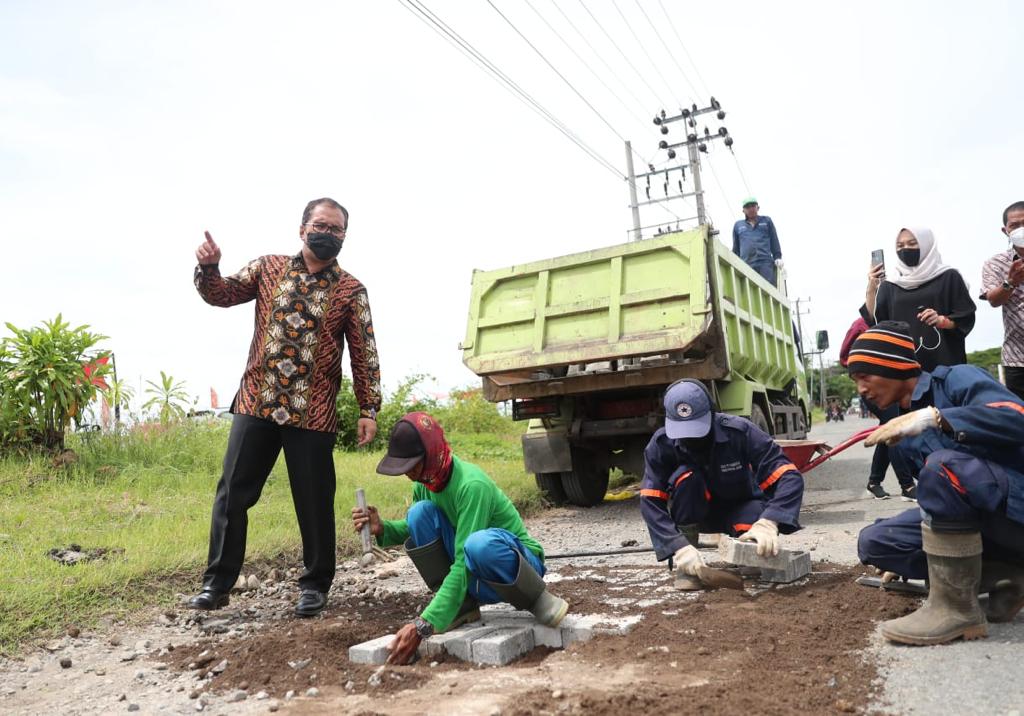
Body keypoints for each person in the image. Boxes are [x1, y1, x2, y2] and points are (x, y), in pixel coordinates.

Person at [188, 197, 382, 617]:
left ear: (344, 237)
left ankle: (315, 586)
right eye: (320, 225)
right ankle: (216, 584)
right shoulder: (268, 267)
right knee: (232, 494)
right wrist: (209, 267)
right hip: (257, 401)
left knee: (314, 501)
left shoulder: (352, 291)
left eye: (335, 229)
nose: (326, 233)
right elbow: (220, 295)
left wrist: (369, 408)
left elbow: (363, 352)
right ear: (302, 228)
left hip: (312, 412)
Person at [851, 322, 1024, 645]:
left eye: (865, 376)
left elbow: (1015, 417)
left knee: (942, 466)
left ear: (891, 365)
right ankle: (1008, 577)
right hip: (980, 526)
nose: (861, 389)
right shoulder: (899, 429)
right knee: (877, 541)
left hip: (1015, 511)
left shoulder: (956, 379)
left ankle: (956, 610)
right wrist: (925, 552)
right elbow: (937, 500)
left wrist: (938, 418)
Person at [352, 412, 569, 665]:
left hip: (520, 568)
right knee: (419, 513)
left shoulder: (471, 486)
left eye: (412, 465)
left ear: (431, 454)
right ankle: (463, 607)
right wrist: (383, 528)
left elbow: (462, 559)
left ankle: (535, 597)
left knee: (478, 545)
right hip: (475, 568)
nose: (408, 474)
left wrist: (424, 623)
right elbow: (418, 527)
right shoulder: (426, 481)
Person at [639, 380, 804, 590]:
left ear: (712, 413)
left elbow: (788, 475)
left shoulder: (740, 432)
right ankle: (687, 566)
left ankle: (749, 550)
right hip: (694, 513)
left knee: (753, 558)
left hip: (741, 509)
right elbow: (650, 500)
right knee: (686, 477)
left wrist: (770, 521)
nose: (691, 438)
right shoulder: (661, 445)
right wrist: (677, 546)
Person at [863, 226, 976, 500]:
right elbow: (876, 322)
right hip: (908, 379)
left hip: (945, 371)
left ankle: (960, 489)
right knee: (914, 440)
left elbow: (966, 318)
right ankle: (933, 491)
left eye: (912, 242)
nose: (905, 248)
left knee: (949, 431)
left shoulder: (948, 277)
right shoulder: (891, 285)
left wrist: (942, 320)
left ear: (925, 245)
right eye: (900, 244)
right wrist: (872, 285)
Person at [839, 310, 916, 501]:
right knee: (893, 426)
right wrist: (866, 372)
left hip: (896, 383)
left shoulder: (898, 324)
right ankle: (907, 485)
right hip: (875, 385)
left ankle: (874, 482)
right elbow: (845, 358)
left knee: (886, 431)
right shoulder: (861, 325)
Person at [980, 200, 1024, 400]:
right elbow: (993, 299)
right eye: (1014, 225)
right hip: (1018, 359)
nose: (1020, 229)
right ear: (1005, 230)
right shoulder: (995, 263)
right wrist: (1010, 282)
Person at [731, 197, 782, 285]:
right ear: (743, 210)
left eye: (753, 206)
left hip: (765, 262)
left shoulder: (767, 221)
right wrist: (735, 263)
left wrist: (777, 257)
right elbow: (736, 248)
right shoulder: (738, 225)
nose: (751, 209)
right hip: (747, 264)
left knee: (768, 288)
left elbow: (774, 240)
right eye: (747, 207)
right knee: (749, 288)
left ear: (758, 208)